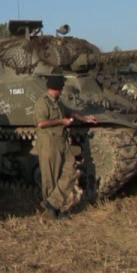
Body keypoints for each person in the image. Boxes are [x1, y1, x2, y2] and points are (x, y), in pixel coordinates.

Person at [34, 75, 97, 220]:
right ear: (54, 89)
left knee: (71, 172)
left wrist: (86, 119)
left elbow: (71, 112)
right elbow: (41, 123)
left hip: (62, 141)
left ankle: (52, 204)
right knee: (50, 177)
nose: (62, 91)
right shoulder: (42, 103)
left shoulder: (58, 102)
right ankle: (53, 211)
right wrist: (61, 121)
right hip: (49, 142)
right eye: (60, 89)